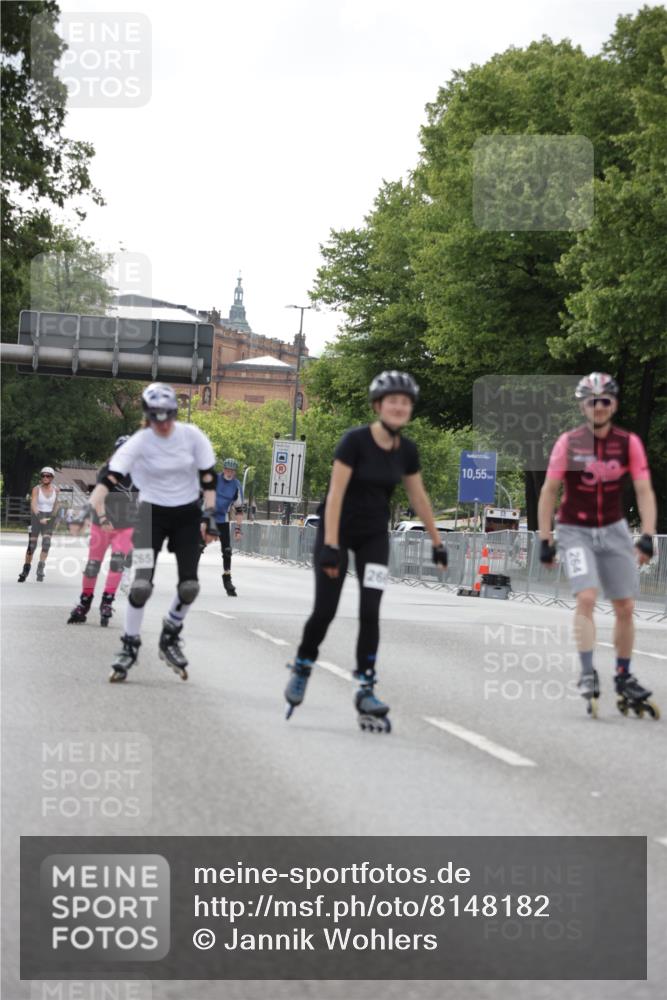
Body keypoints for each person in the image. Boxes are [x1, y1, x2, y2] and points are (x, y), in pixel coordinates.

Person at [284, 370, 448, 731]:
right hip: (337, 532)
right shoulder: (354, 441)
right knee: (325, 610)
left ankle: (365, 686)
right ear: (378, 405)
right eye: (393, 401)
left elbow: (418, 496)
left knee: (371, 610)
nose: (399, 407)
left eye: (405, 403)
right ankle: (303, 662)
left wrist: (437, 541)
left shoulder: (407, 451)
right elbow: (336, 495)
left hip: (374, 535)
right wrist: (328, 545)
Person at [538, 372, 658, 717]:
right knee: (587, 597)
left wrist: (647, 535)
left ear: (614, 405)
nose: (599, 407)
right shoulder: (569, 443)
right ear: (583, 406)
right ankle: (588, 671)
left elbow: (644, 490)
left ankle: (622, 675)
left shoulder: (628, 443)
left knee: (625, 606)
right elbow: (549, 491)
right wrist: (546, 539)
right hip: (574, 529)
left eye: (605, 401)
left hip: (614, 529)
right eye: (592, 401)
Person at [87, 383, 219, 682]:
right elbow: (111, 475)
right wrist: (94, 504)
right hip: (151, 516)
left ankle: (170, 633)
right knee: (141, 586)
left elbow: (209, 478)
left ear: (174, 413)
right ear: (147, 417)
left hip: (186, 514)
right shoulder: (141, 441)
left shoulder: (191, 435)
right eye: (157, 418)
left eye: (169, 416)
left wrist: (209, 516)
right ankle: (129, 644)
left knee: (189, 587)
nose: (164, 424)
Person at [67, 435, 138, 627]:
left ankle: (107, 602)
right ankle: (84, 602)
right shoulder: (106, 471)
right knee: (92, 565)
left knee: (117, 563)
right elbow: (98, 497)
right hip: (102, 523)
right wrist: (104, 518)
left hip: (126, 526)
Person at [17, 467, 60, 582]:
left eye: (48, 476)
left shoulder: (56, 490)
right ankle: (26, 569)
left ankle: (41, 567)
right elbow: (34, 504)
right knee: (32, 546)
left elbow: (56, 504)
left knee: (46, 544)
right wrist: (40, 517)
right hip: (36, 517)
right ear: (41, 477)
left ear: (52, 477)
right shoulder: (36, 489)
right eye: (43, 475)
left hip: (49, 518)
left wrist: (53, 518)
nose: (45, 478)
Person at [213, 457, 244, 596]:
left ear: (234, 472)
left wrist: (238, 529)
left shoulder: (236, 486)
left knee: (227, 550)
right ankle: (189, 577)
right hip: (207, 516)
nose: (229, 473)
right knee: (197, 547)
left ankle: (227, 580)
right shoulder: (214, 480)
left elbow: (239, 510)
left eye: (232, 470)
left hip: (223, 519)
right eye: (227, 469)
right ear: (223, 469)